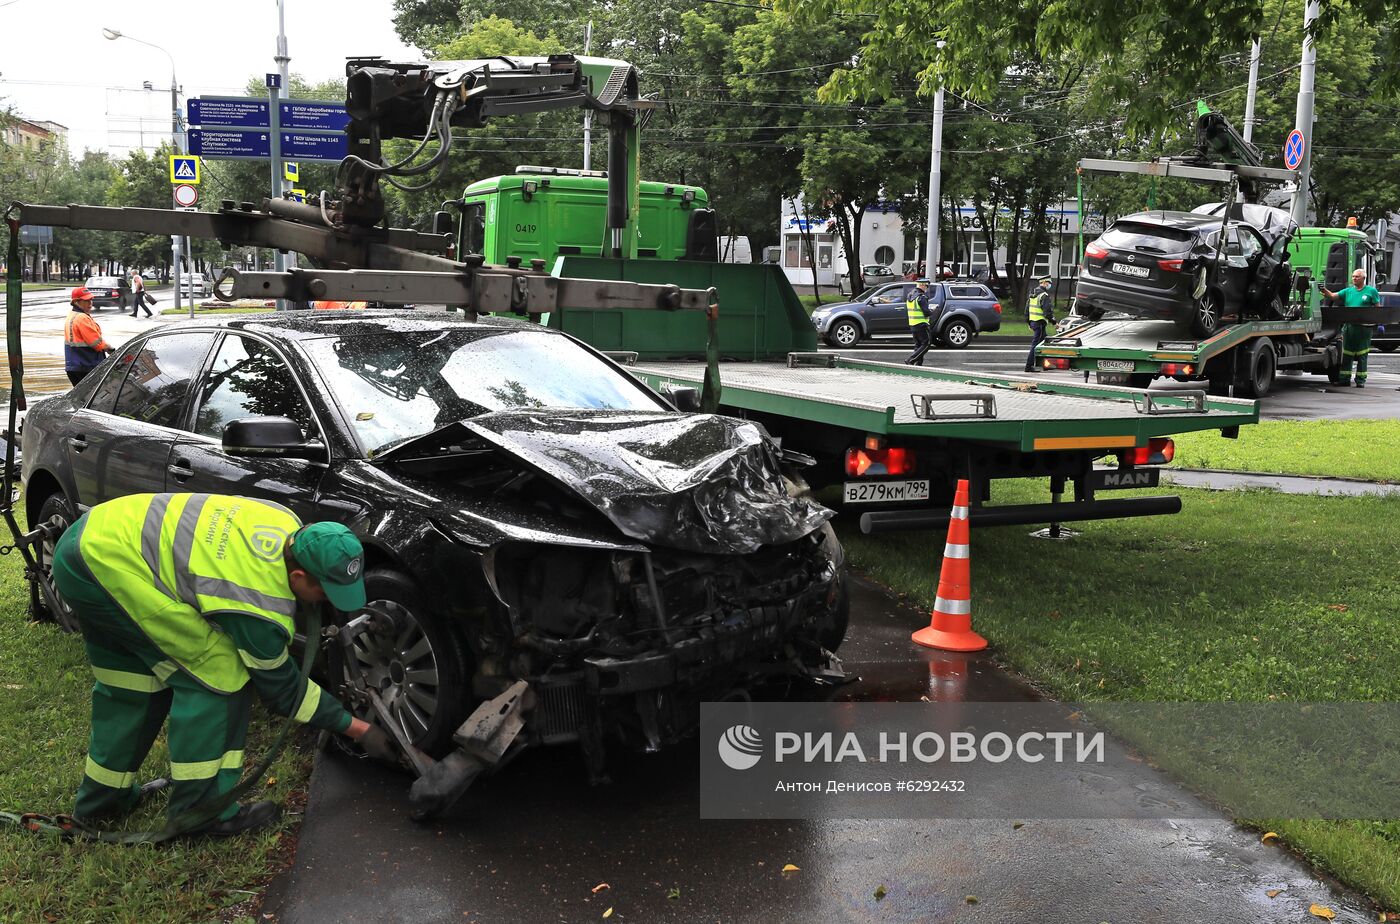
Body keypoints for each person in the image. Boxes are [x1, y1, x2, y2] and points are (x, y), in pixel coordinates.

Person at [52, 493, 395, 835]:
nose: (328, 603)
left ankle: (101, 802)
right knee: (217, 674)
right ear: (298, 578)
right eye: (324, 593)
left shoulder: (284, 521)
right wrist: (359, 729)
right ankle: (201, 815)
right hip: (108, 567)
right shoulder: (259, 601)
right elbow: (282, 689)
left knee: (133, 685)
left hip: (90, 541)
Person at [1321, 268, 1381, 388]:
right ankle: (1344, 379)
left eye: (1357, 277)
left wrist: (1378, 323)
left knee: (1362, 355)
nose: (1354, 278)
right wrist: (1324, 290)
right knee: (1347, 355)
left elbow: (1377, 308)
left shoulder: (1371, 291)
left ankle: (1360, 381)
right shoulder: (1348, 291)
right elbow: (1333, 296)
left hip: (1364, 329)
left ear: (1363, 278)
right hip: (1349, 328)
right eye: (1353, 276)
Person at [64, 286, 113, 386]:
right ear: (76, 302)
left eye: (90, 300)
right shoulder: (82, 318)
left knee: (81, 399)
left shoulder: (72, 315)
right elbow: (96, 343)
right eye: (86, 301)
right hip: (86, 365)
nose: (90, 303)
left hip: (74, 366)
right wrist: (110, 349)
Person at [1024, 277, 1056, 373]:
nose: (1049, 285)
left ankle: (1045, 364)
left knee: (1045, 343)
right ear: (1045, 283)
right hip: (1040, 323)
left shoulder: (1032, 295)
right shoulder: (1044, 295)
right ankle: (1028, 366)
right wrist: (1054, 322)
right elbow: (1047, 312)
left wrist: (1029, 322)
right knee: (1036, 345)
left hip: (1034, 322)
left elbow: (1026, 311)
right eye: (1049, 283)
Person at [904, 278, 934, 366]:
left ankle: (918, 363)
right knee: (926, 344)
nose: (927, 288)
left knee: (918, 344)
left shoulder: (910, 296)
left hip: (913, 323)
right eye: (926, 286)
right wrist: (932, 310)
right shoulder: (921, 297)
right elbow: (926, 313)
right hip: (922, 324)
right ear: (922, 285)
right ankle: (911, 359)